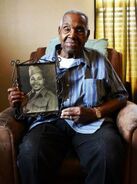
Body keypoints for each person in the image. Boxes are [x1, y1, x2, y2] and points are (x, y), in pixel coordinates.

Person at [8, 10, 128, 184]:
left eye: (79, 30)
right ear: (59, 32)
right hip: (49, 123)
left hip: (92, 125)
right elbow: (25, 110)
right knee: (30, 153)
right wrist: (18, 104)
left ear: (87, 35)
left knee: (108, 152)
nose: (72, 34)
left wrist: (95, 112)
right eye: (67, 28)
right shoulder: (38, 66)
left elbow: (122, 96)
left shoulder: (100, 60)